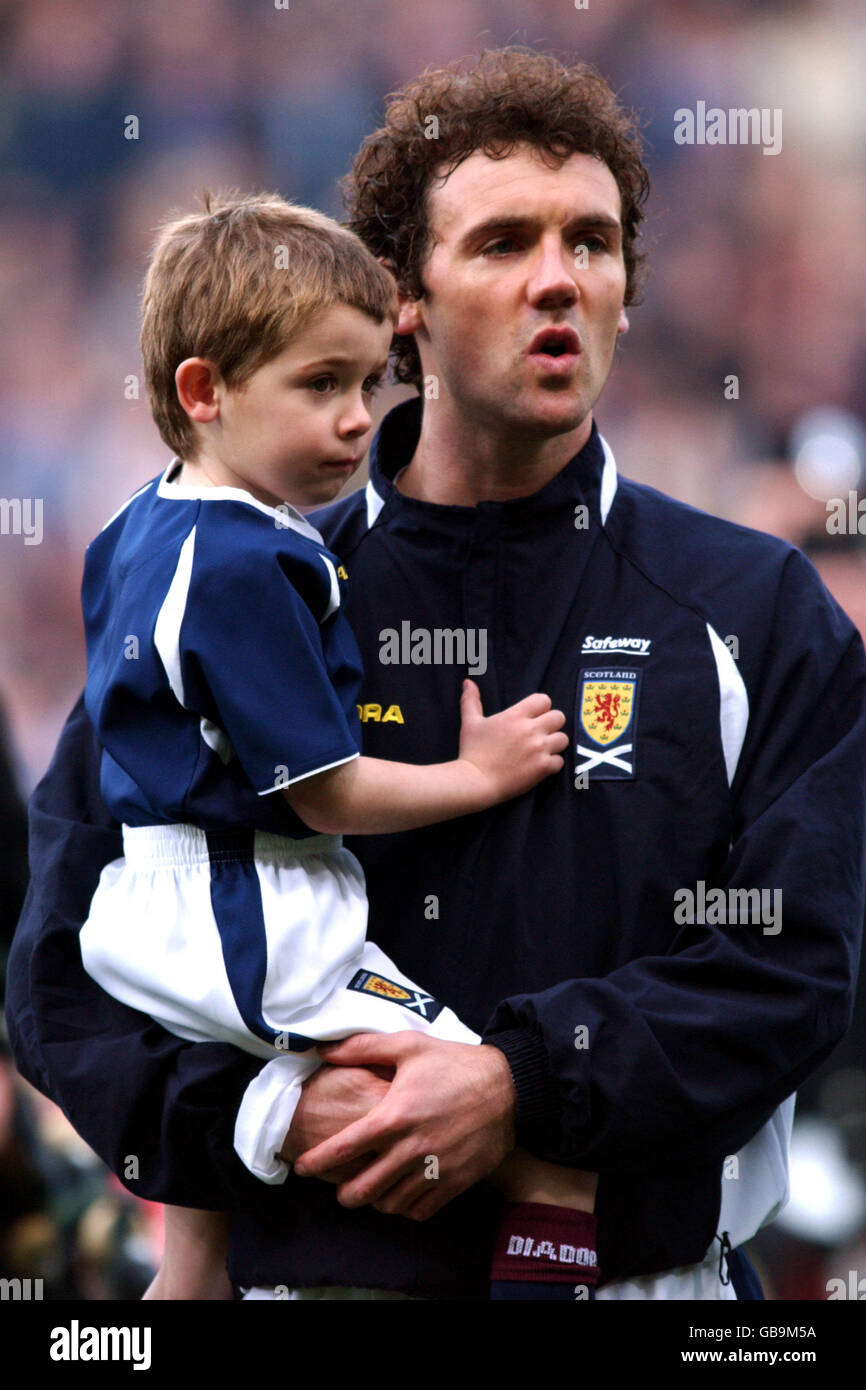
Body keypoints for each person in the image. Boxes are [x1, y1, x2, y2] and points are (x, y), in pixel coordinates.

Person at [7, 48, 866, 1302]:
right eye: (503, 242)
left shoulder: (749, 607)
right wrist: (266, 1114)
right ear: (399, 298)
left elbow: (794, 966)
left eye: (593, 242)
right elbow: (64, 966)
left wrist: (524, 1080)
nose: (557, 280)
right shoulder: (238, 585)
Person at [76, 189, 597, 1300]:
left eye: (369, 383)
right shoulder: (249, 565)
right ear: (203, 391)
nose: (358, 419)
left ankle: (189, 1277)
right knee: (529, 1120)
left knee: (212, 1179)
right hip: (252, 912)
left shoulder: (138, 522)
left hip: (152, 903)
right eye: (320, 385)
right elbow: (320, 792)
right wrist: (477, 771)